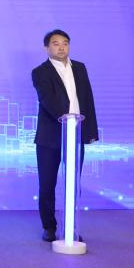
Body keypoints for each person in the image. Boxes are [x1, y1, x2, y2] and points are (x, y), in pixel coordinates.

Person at [31, 29, 99, 242]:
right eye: (56, 43)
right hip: (50, 137)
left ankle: (71, 226)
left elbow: (87, 100)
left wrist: (90, 132)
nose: (61, 47)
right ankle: (49, 227)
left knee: (73, 183)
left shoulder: (80, 68)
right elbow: (47, 100)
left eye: (65, 43)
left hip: (76, 136)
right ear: (47, 48)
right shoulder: (40, 72)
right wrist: (66, 118)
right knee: (47, 184)